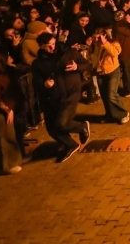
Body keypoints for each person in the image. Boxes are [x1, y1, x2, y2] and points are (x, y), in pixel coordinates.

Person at [31, 33, 92, 162]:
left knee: (62, 124)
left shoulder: (69, 52)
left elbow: (87, 64)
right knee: (52, 128)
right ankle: (70, 144)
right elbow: (36, 82)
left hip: (71, 93)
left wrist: (77, 67)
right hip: (52, 97)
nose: (52, 48)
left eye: (53, 44)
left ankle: (81, 126)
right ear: (40, 46)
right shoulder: (38, 63)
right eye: (48, 46)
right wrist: (45, 84)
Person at [90, 27, 129, 124]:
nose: (96, 40)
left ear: (104, 36)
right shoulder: (94, 46)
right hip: (100, 73)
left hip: (113, 72)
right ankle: (110, 115)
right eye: (94, 37)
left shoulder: (113, 44)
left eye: (98, 38)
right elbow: (91, 59)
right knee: (105, 96)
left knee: (111, 95)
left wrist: (105, 43)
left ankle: (123, 114)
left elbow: (115, 53)